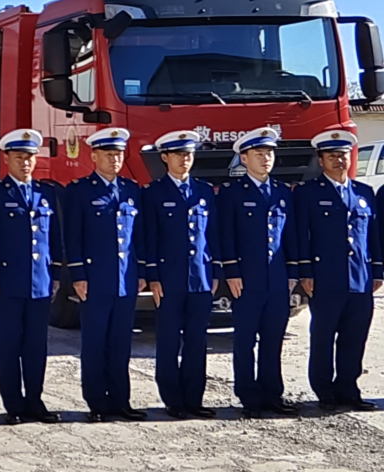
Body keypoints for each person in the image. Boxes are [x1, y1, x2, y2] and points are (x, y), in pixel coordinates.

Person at [0, 129, 64, 425]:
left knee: (37, 347)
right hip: (9, 282)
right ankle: (13, 404)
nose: (25, 163)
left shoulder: (45, 193)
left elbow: (55, 238)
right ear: (6, 159)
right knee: (10, 346)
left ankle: (35, 401)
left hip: (40, 283)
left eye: (29, 157)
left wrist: (56, 273)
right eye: (18, 157)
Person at [294, 129, 381, 412]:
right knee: (323, 336)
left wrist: (377, 271)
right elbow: (301, 235)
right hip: (325, 278)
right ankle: (324, 391)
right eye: (331, 156)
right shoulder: (307, 193)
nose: (338, 160)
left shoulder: (364, 192)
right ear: (321, 161)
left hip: (360, 279)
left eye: (343, 155)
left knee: (355, 337)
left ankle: (348, 389)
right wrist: (305, 271)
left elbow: (373, 236)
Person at [217, 127, 299, 419]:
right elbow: (225, 234)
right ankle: (248, 396)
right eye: (259, 153)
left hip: (277, 279)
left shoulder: (282, 192)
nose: (266, 159)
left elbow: (290, 236)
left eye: (269, 153)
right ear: (244, 158)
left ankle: (272, 394)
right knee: (245, 340)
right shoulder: (232, 193)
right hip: (246, 278)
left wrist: (292, 273)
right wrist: (231, 271)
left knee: (273, 339)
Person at [66, 128, 147, 423]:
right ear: (94, 156)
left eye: (118, 154)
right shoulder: (80, 190)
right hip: (95, 279)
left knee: (120, 343)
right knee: (95, 343)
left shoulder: (131, 189)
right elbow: (72, 236)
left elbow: (139, 236)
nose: (115, 160)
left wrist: (141, 271)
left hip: (126, 279)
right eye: (109, 154)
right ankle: (97, 402)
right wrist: (78, 275)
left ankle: (120, 400)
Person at [141, 130, 217, 419]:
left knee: (197, 340)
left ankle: (194, 398)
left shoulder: (204, 191)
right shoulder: (154, 193)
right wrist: (152, 275)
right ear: (165, 158)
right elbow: (149, 237)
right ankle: (173, 399)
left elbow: (213, 235)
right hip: (168, 278)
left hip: (200, 277)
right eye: (178, 154)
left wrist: (216, 271)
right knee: (169, 339)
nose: (185, 159)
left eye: (189, 154)